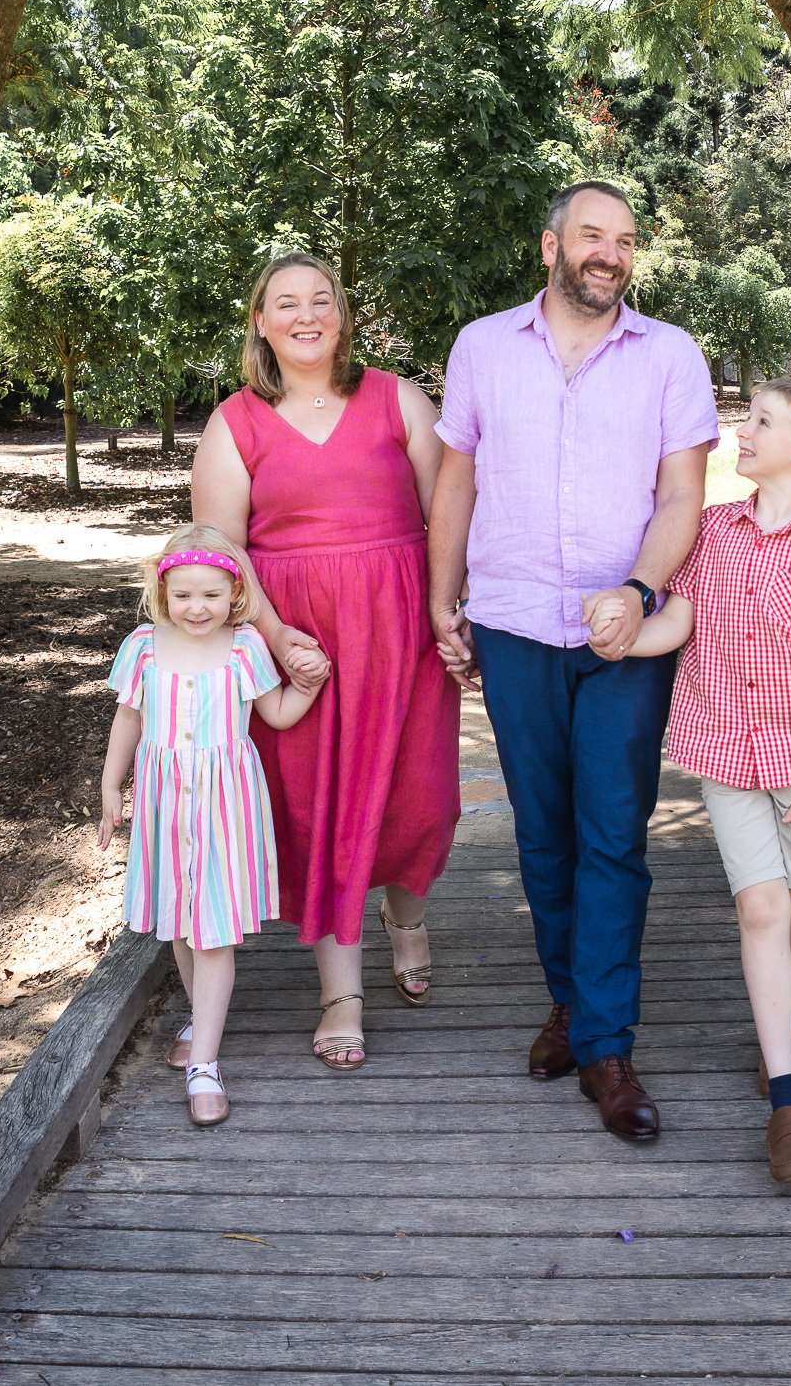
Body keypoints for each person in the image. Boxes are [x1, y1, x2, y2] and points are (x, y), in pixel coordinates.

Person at [428, 181, 719, 1139]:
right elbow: (458, 478)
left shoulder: (670, 355)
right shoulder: (481, 346)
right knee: (542, 833)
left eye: (626, 241)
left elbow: (683, 496)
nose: (611, 253)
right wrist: (443, 598)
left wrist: (637, 593)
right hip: (512, 620)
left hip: (624, 634)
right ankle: (568, 1001)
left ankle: (606, 1046)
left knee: (613, 836)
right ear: (550, 244)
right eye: (593, 236)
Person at [590, 378, 791, 1179]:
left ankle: (786, 1020)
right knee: (760, 906)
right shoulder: (715, 533)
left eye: (759, 421)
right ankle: (789, 1102)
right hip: (723, 752)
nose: (739, 432)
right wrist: (625, 639)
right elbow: (683, 620)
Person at [191, 252, 460, 1071]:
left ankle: (405, 918)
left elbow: (445, 510)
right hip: (302, 641)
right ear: (261, 323)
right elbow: (220, 551)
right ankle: (340, 993)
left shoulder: (397, 399)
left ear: (341, 316)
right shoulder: (234, 423)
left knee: (423, 801)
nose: (306, 314)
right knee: (320, 809)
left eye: (320, 300)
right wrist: (273, 638)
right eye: (286, 303)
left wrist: (451, 606)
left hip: (400, 628)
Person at [98, 524, 319, 1125]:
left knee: (213, 928)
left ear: (235, 594)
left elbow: (274, 713)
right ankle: (202, 1021)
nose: (198, 608)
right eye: (184, 595)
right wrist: (111, 784)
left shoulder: (245, 646)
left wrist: (308, 686)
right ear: (163, 592)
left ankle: (205, 1065)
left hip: (226, 804)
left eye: (212, 595)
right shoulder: (143, 646)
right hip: (165, 802)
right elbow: (129, 719)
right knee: (179, 918)